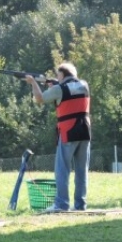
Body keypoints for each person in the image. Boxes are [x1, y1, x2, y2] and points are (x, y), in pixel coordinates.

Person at [25, 62, 91, 211]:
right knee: (82, 170)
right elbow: (70, 96)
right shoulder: (84, 85)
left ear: (62, 75)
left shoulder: (59, 89)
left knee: (62, 169)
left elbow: (40, 99)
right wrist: (53, 85)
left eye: (58, 75)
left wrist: (33, 83)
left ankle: (61, 204)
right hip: (85, 130)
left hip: (68, 131)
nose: (56, 77)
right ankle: (80, 205)